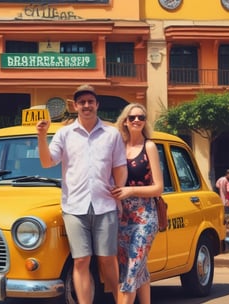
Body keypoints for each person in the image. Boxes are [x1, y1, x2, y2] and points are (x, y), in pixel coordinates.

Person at [36, 84, 128, 304]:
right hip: (74, 207)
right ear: (75, 106)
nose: (86, 106)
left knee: (108, 259)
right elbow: (48, 162)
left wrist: (120, 191)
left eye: (90, 101)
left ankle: (120, 300)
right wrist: (41, 135)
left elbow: (119, 167)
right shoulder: (64, 134)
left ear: (97, 104)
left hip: (105, 205)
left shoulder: (111, 134)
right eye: (82, 102)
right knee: (81, 261)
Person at [112, 103, 164, 304]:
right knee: (134, 267)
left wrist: (130, 190)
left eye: (141, 117)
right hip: (121, 217)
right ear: (124, 121)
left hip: (145, 216)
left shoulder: (149, 146)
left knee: (132, 270)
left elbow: (158, 187)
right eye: (132, 117)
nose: (136, 120)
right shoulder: (118, 147)